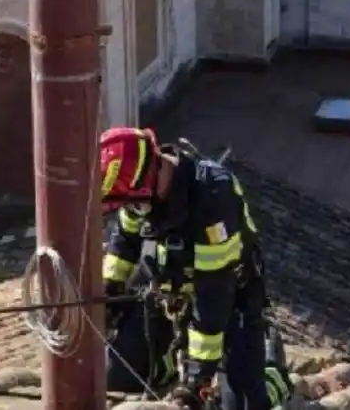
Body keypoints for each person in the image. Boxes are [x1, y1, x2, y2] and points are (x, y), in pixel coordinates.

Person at [98, 128, 291, 410]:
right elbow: (124, 241)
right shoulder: (139, 192)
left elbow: (212, 296)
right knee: (115, 375)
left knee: (240, 406)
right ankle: (163, 365)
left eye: (133, 202)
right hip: (165, 294)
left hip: (228, 301)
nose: (131, 209)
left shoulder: (213, 198)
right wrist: (110, 291)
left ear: (148, 181)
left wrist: (197, 378)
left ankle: (273, 373)